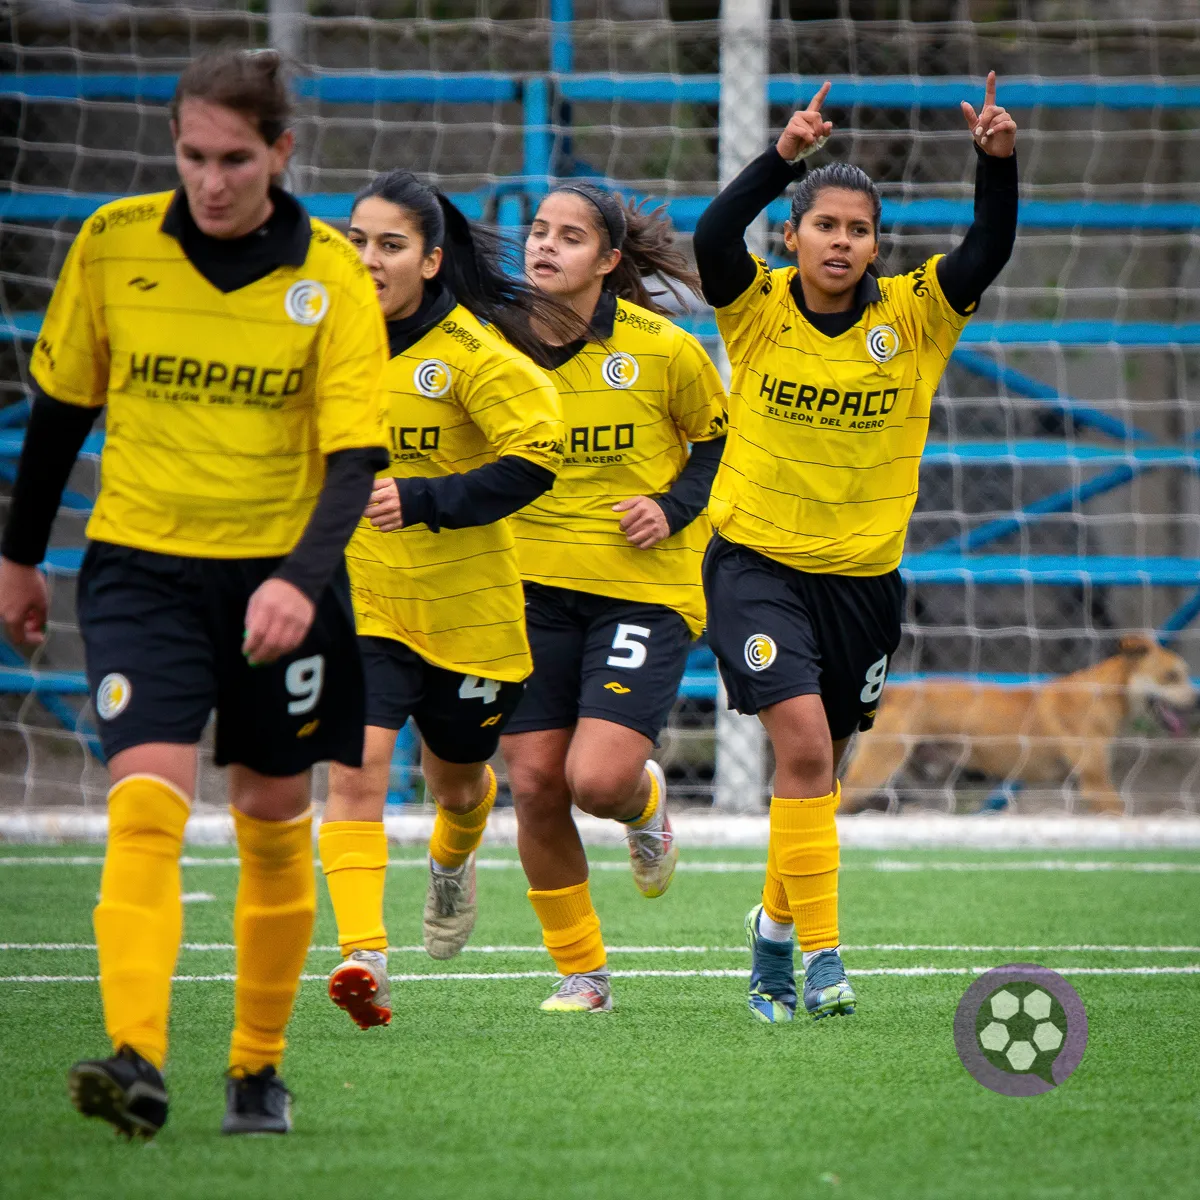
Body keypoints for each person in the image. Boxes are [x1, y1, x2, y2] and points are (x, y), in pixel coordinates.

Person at [0, 50, 390, 1136]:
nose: (209, 182)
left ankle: (256, 1071)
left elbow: (354, 459)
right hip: (141, 570)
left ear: (280, 152)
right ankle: (136, 1059)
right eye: (190, 157)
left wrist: (298, 585)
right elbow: (61, 408)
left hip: (284, 581)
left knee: (271, 819)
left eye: (232, 159)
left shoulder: (333, 274)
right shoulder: (115, 243)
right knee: (145, 801)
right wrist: (18, 554)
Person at [693, 75, 1018, 1022]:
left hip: (865, 580)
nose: (842, 241)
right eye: (824, 225)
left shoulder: (915, 316)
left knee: (820, 772)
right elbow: (714, 236)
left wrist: (996, 164)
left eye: (858, 229)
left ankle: (774, 932)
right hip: (755, 563)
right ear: (792, 236)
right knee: (798, 748)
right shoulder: (754, 309)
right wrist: (780, 156)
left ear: (878, 243)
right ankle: (824, 961)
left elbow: (987, 247)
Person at [317, 171, 567, 1029]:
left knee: (457, 785)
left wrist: (423, 498)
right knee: (354, 772)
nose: (369, 259)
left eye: (390, 245)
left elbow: (537, 460)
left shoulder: (471, 354)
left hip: (469, 615)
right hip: (363, 602)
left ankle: (453, 863)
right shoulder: (324, 341)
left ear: (429, 261)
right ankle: (364, 955)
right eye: (357, 240)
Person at [503, 183, 728, 1012]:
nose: (545, 246)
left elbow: (717, 445)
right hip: (525, 585)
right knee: (532, 783)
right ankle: (582, 972)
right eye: (537, 232)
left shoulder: (664, 351)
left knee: (595, 782)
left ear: (607, 261)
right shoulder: (493, 346)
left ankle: (646, 801)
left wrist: (667, 508)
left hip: (640, 591)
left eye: (570, 237)